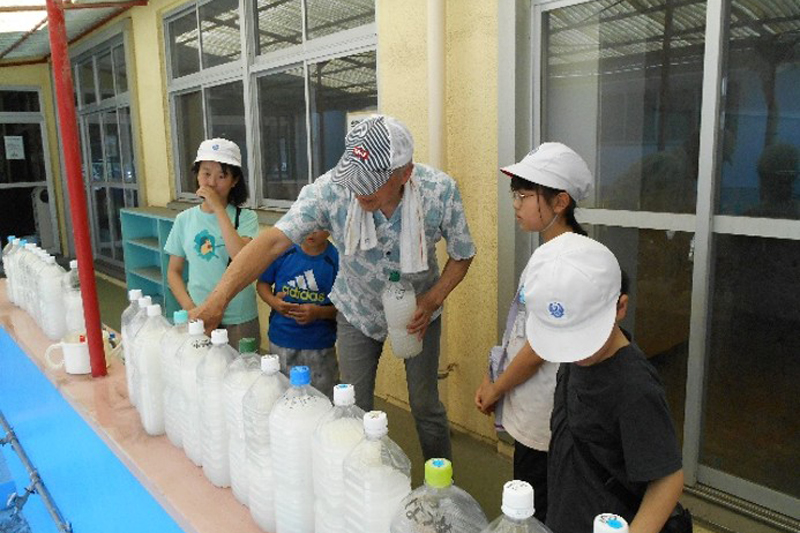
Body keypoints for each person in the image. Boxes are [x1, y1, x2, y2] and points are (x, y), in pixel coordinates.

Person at [191, 115, 476, 461]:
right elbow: (270, 244)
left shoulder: (439, 191)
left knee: (425, 403)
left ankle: (440, 486)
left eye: (370, 182)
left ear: (405, 173)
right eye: (354, 179)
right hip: (356, 308)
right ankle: (359, 474)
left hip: (417, 309)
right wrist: (217, 300)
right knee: (352, 405)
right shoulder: (331, 191)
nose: (359, 191)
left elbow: (462, 255)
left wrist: (431, 300)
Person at [522, 232, 684, 533]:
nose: (572, 350)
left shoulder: (634, 387)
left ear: (620, 308)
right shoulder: (574, 357)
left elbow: (667, 480)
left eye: (582, 336)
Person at [474, 142, 593, 523]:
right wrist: (495, 375)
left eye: (525, 195)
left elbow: (540, 346)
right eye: (515, 194)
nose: (516, 205)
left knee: (537, 507)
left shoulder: (565, 260)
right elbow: (523, 330)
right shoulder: (551, 251)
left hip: (546, 410)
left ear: (560, 203)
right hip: (531, 401)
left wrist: (497, 387)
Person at [164, 138, 260, 350]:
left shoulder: (246, 218)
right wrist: (192, 310)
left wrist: (219, 209)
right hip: (199, 316)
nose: (212, 182)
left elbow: (242, 258)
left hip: (239, 317)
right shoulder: (184, 219)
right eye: (206, 173)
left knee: (242, 376)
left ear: (234, 181)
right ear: (197, 175)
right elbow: (173, 271)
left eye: (222, 176)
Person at [256, 229, 339, 398]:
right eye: (307, 225)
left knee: (320, 399)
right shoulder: (284, 252)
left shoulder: (336, 260)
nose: (312, 232)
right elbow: (262, 284)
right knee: (281, 396)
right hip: (282, 339)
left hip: (320, 345)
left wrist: (319, 312)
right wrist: (274, 302)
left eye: (319, 226)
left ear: (330, 226)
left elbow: (344, 309)